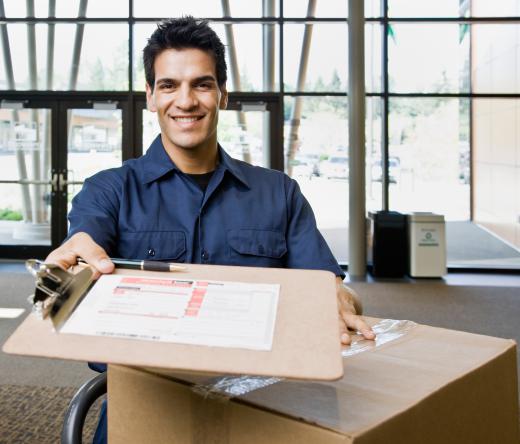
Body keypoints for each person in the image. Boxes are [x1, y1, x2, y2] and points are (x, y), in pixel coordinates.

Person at [46, 16, 375, 443]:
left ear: (223, 94)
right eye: (168, 85)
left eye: (201, 84)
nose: (186, 101)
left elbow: (330, 287)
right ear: (150, 96)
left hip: (265, 411)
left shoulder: (280, 193)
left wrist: (338, 296)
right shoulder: (110, 190)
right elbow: (84, 241)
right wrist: (75, 253)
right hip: (143, 411)